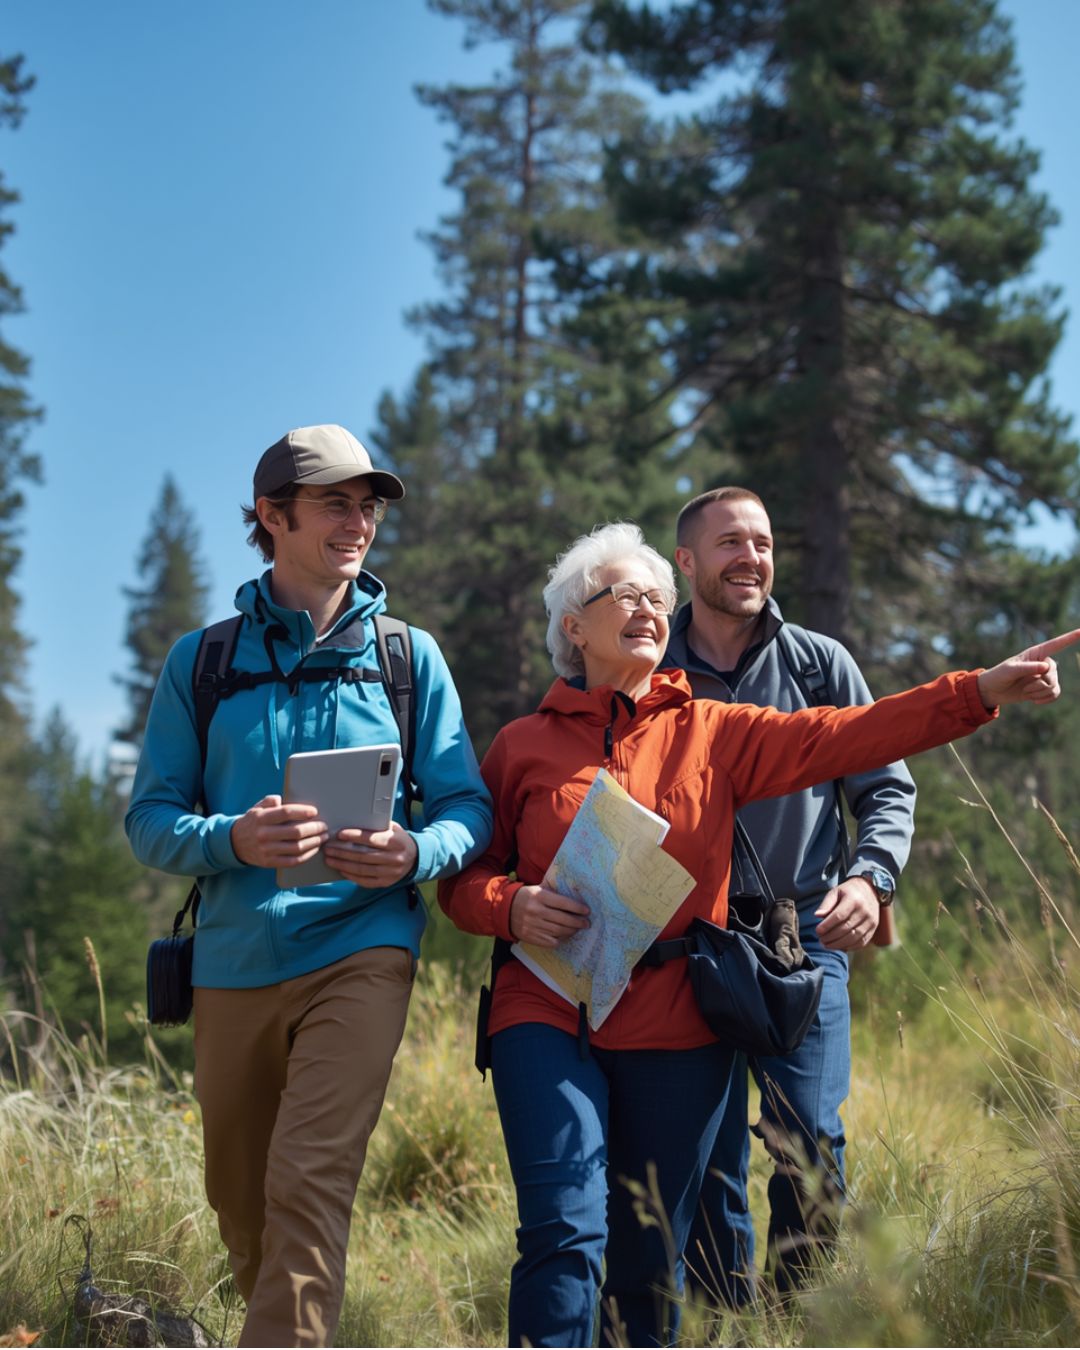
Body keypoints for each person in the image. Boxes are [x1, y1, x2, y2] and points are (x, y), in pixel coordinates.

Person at [437, 520, 1076, 1349]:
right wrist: (509, 907)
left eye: (658, 599)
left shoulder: (716, 728)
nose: (649, 608)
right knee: (565, 1229)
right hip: (545, 1008)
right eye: (625, 594)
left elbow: (850, 734)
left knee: (651, 1257)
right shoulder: (521, 745)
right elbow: (460, 881)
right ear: (573, 624)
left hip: (675, 1017)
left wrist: (977, 691)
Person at [125, 423, 492, 1348]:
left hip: (362, 950)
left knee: (309, 1177)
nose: (359, 520)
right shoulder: (201, 664)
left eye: (368, 505)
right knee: (241, 1200)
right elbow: (150, 820)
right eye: (337, 502)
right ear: (272, 515)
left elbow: (467, 810)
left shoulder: (410, 659)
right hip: (233, 961)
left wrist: (415, 853)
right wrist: (234, 839)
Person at [665, 485, 917, 1303]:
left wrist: (870, 877)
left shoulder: (819, 663)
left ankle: (792, 1311)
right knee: (701, 1149)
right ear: (687, 561)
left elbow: (886, 787)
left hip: (798, 937)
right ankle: (717, 1315)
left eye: (763, 543)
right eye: (731, 542)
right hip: (679, 938)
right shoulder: (646, 667)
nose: (751, 558)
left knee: (807, 1140)